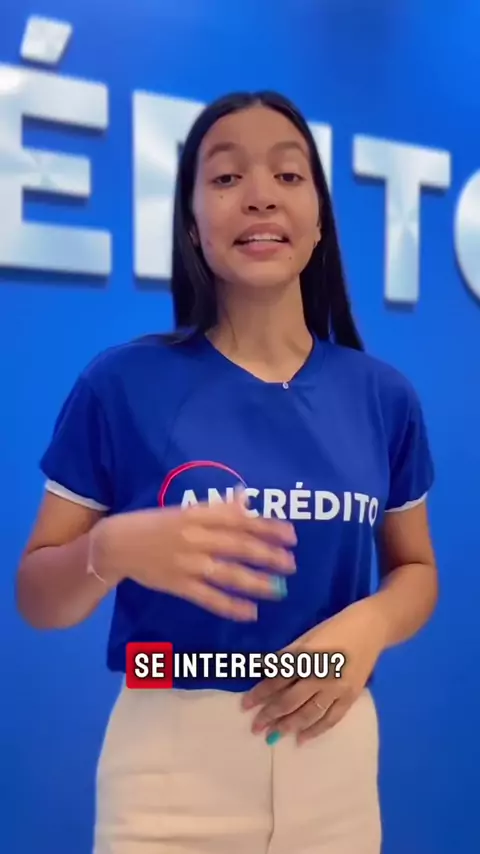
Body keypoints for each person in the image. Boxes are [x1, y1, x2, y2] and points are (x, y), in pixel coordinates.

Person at [16, 90, 439, 854]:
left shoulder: (384, 397)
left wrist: (372, 624)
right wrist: (110, 549)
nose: (259, 196)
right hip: (169, 773)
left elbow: (417, 570)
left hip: (337, 761)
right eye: (225, 177)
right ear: (190, 223)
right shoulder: (121, 385)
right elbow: (36, 597)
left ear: (319, 218)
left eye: (288, 175)